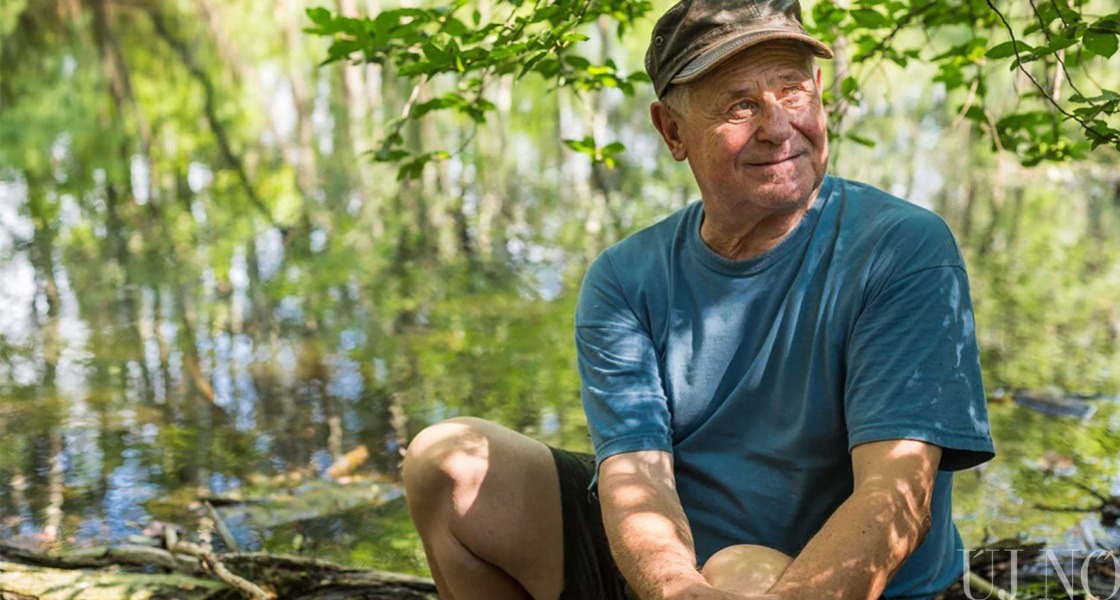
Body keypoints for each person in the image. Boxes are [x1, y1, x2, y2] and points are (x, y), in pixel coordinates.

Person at [401, 0, 996, 598]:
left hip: (835, 582)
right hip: (673, 567)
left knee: (739, 571)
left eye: (791, 91)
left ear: (819, 91)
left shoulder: (900, 247)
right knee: (443, 463)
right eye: (740, 105)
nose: (776, 125)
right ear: (672, 131)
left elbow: (894, 498)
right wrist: (675, 589)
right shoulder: (625, 278)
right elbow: (638, 477)